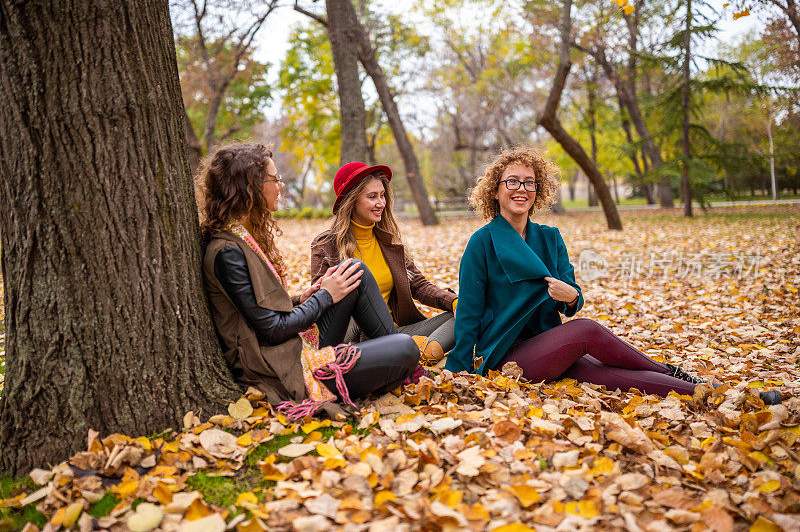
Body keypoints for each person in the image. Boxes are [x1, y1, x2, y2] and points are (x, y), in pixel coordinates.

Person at [444, 146, 711, 398]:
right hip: (506, 354)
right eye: (512, 181)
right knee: (586, 330)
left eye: (529, 182)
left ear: (538, 190)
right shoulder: (482, 242)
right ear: (495, 191)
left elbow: (573, 300)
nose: (521, 189)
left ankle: (701, 390)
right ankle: (669, 370)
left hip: (550, 344)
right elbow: (469, 311)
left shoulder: (550, 237)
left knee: (607, 374)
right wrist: (458, 368)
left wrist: (570, 296)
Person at [197, 143, 420, 419]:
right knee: (406, 347)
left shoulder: (239, 240)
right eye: (275, 179)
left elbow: (259, 312)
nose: (281, 185)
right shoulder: (228, 252)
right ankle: (400, 361)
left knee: (353, 270)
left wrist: (302, 298)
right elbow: (273, 330)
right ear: (250, 187)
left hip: (292, 347)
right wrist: (325, 296)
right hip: (282, 368)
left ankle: (398, 360)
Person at [310, 162, 457, 362]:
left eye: (382, 195)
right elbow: (322, 304)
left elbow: (419, 286)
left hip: (397, 331)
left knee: (460, 316)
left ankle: (423, 352)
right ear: (351, 200)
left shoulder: (389, 243)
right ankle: (410, 351)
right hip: (356, 339)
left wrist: (454, 302)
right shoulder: (326, 246)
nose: (381, 202)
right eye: (372, 196)